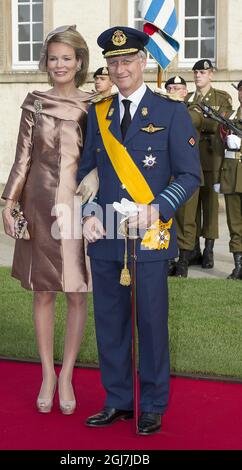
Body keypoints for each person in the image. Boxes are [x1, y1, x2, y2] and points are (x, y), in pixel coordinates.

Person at [78, 26, 200, 435]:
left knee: (150, 323)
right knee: (109, 323)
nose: (120, 68)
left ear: (143, 62)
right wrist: (87, 215)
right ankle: (118, 400)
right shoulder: (98, 113)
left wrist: (158, 209)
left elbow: (189, 174)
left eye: (127, 60)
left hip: (150, 233)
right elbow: (86, 173)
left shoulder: (171, 111)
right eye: (113, 63)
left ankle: (151, 403)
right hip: (107, 233)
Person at [1, 25, 94, 415]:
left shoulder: (94, 105)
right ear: (46, 61)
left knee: (75, 290)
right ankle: (47, 374)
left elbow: (99, 159)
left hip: (75, 206)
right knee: (42, 290)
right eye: (53, 57)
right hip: (37, 203)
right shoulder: (34, 102)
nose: (59, 64)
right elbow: (23, 158)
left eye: (66, 58)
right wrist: (9, 202)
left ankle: (68, 373)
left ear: (79, 62)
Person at [186, 59, 232, 269]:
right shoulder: (186, 98)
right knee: (191, 207)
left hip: (212, 159)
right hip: (191, 160)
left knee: (211, 206)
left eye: (202, 73)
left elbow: (219, 124)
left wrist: (199, 121)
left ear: (211, 75)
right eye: (195, 73)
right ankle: (192, 247)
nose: (198, 76)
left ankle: (209, 250)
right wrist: (205, 121)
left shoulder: (221, 98)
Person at [165, 76, 203, 277]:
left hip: (187, 173)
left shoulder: (192, 109)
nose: (173, 90)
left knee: (187, 218)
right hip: (166, 172)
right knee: (168, 217)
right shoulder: (163, 111)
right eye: (169, 88)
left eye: (177, 88)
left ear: (185, 91)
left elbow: (193, 120)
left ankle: (184, 261)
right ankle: (170, 258)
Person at [215, 80, 242, 279]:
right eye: (241, 90)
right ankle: (238, 265)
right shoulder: (229, 117)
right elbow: (218, 149)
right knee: (235, 223)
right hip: (232, 175)